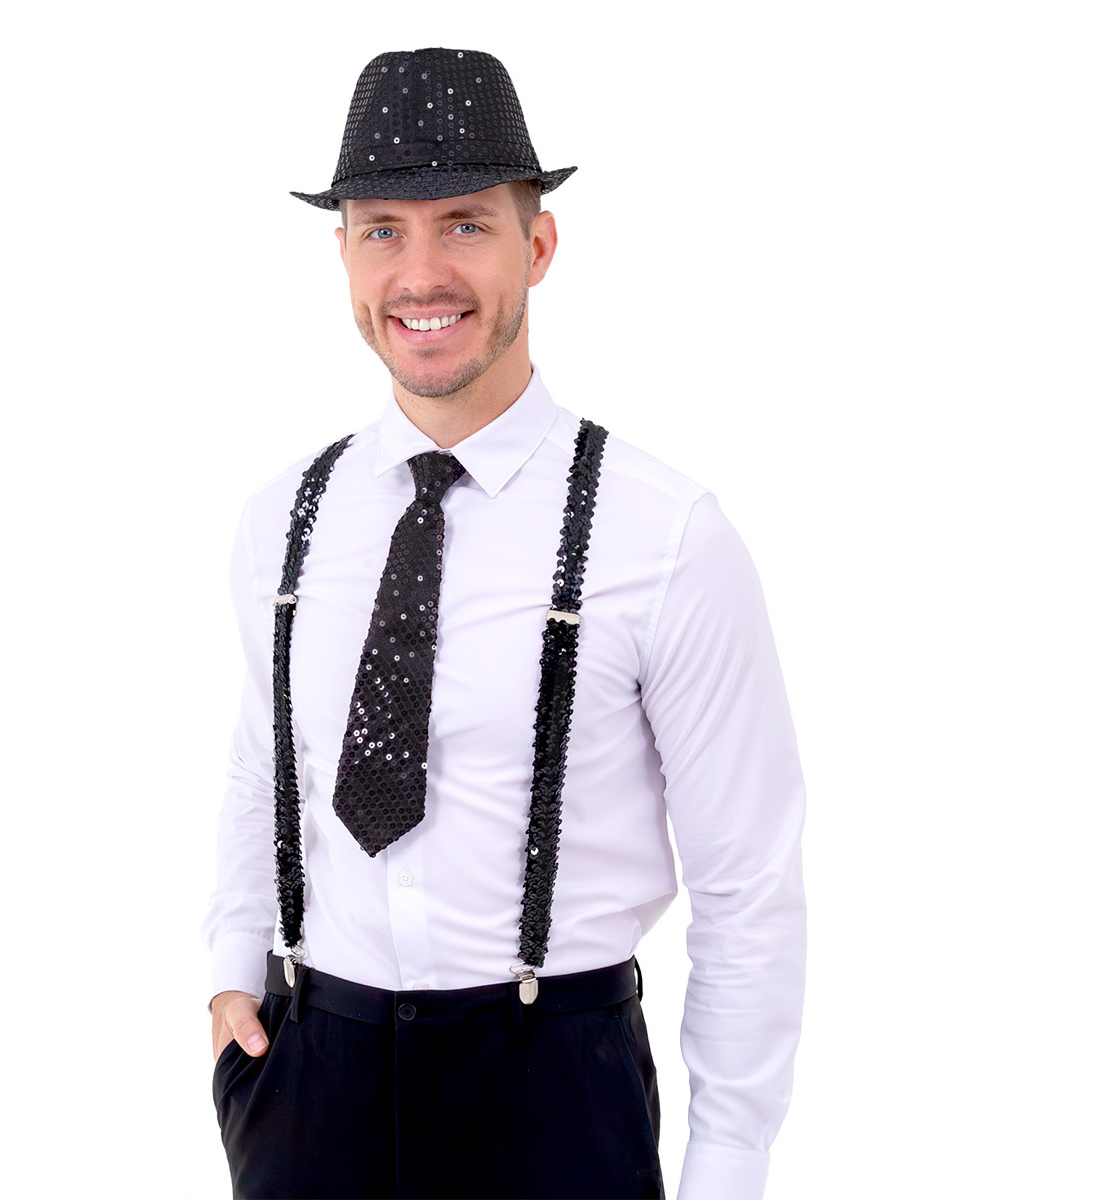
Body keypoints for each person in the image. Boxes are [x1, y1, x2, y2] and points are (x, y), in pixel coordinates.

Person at [202, 47, 806, 1200]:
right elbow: (264, 759)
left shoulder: (665, 534)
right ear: (343, 256)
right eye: (382, 231)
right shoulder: (283, 517)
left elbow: (748, 879)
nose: (420, 273)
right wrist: (235, 965)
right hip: (308, 1084)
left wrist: (726, 1171)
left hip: (550, 1091)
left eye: (465, 225)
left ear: (537, 246)